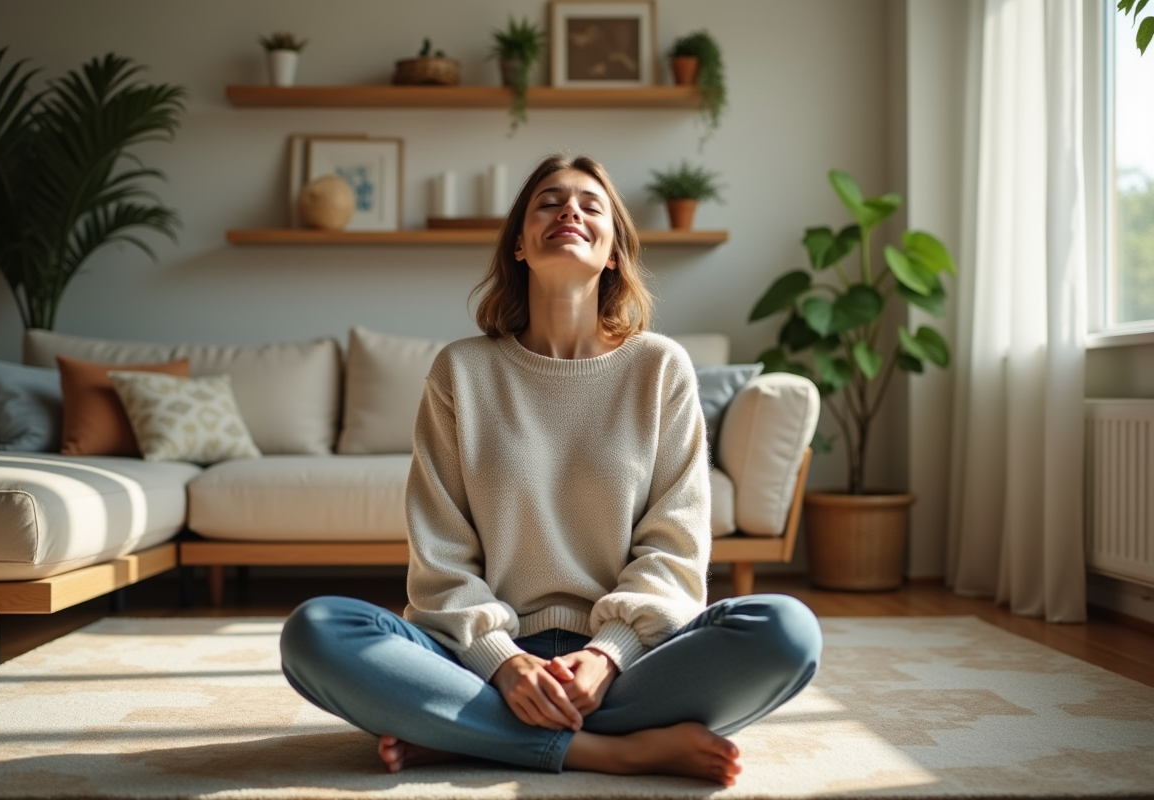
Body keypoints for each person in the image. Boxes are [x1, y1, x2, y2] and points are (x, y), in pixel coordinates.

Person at [280, 154, 822, 786]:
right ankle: (613, 750)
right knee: (316, 631)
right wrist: (504, 663)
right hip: (480, 661)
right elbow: (441, 557)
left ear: (615, 251)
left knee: (787, 631)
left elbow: (674, 546)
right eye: (549, 202)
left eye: (591, 205)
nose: (570, 211)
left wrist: (605, 655)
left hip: (630, 661)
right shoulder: (460, 372)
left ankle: (467, 733)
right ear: (519, 245)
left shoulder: (660, 368)